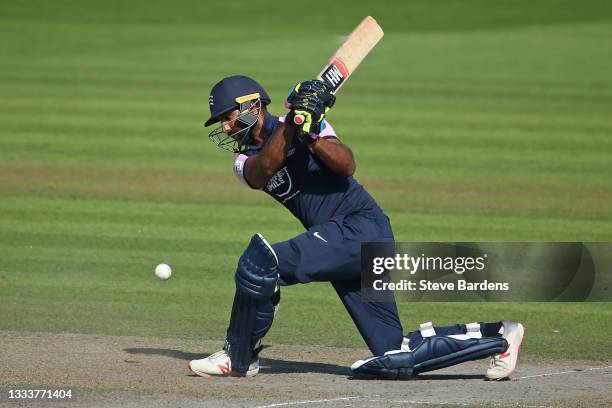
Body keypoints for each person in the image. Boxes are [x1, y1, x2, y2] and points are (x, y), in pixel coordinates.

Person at [188, 75, 524, 380]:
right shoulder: (243, 161)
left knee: (262, 264)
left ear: (251, 105)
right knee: (396, 355)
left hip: (359, 227)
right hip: (341, 241)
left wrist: (310, 132)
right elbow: (264, 169)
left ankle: (238, 357)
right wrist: (294, 124)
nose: (226, 128)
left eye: (227, 117)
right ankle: (500, 336)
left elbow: (347, 165)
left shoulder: (311, 125)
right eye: (221, 122)